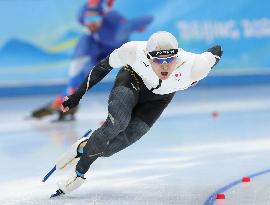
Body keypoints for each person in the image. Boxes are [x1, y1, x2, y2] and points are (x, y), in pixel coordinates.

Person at [50, 31, 222, 197]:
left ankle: (82, 147)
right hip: (132, 80)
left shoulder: (195, 66)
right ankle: (79, 174)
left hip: (158, 100)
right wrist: (76, 96)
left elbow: (212, 55)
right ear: (147, 56)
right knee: (118, 123)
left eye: (169, 60)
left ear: (176, 57)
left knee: (109, 149)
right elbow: (103, 67)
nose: (164, 66)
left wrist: (215, 53)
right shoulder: (133, 51)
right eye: (158, 60)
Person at [31, 0, 153, 121]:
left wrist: (140, 26)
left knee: (130, 75)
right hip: (98, 49)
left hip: (119, 50)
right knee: (82, 73)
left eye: (94, 20)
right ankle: (64, 100)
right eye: (87, 20)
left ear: (103, 17)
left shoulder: (117, 26)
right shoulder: (83, 16)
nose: (90, 23)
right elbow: (77, 67)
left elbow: (145, 19)